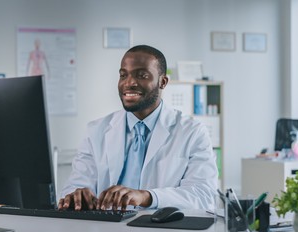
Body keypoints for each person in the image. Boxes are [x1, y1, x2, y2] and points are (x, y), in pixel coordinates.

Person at [58, 45, 217, 211]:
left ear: (163, 82)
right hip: (107, 231)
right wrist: (76, 195)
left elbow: (203, 195)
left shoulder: (192, 132)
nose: (129, 83)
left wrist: (145, 197)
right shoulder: (96, 130)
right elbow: (75, 185)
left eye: (142, 75)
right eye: (123, 75)